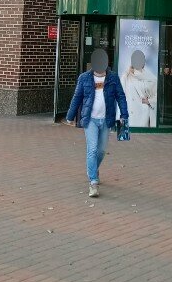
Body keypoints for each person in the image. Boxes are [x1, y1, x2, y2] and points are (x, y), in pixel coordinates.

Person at [65, 48, 129, 198]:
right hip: (90, 119)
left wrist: (124, 115)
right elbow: (77, 98)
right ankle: (93, 182)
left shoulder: (113, 78)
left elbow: (121, 96)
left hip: (107, 119)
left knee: (100, 151)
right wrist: (70, 115)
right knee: (92, 150)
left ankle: (92, 168)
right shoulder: (84, 78)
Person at [120, 49, 157, 128]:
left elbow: (157, 95)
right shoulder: (126, 76)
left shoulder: (151, 77)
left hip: (143, 114)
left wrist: (149, 101)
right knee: (128, 137)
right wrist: (127, 72)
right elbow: (121, 93)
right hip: (130, 112)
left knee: (142, 137)